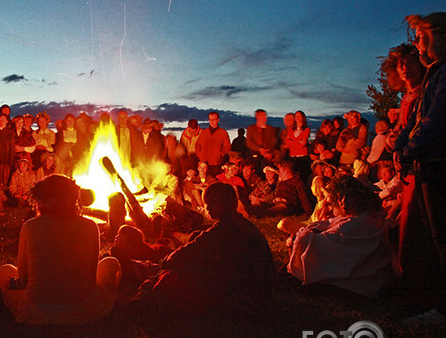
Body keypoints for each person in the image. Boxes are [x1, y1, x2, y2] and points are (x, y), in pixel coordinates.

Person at [131, 182, 275, 314]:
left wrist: (164, 263)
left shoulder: (226, 229)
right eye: (207, 203)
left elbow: (191, 251)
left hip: (244, 296)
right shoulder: (237, 223)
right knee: (193, 239)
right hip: (254, 288)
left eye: (213, 203)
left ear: (226, 203)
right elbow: (199, 244)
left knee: (169, 280)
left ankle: (145, 294)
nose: (208, 207)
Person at [0, 175, 122, 325]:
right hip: (81, 305)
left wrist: (12, 284)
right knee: (111, 263)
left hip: (37, 309)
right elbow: (90, 279)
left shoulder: (30, 227)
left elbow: (23, 281)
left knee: (5, 271)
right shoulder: (90, 227)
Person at [397, 13, 446, 325]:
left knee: (441, 237)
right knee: (434, 237)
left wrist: (408, 149)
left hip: (438, 163)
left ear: (435, 36)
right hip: (429, 162)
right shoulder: (436, 72)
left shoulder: (443, 73)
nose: (416, 43)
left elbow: (435, 119)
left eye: (419, 36)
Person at [287, 175, 393, 297]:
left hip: (356, 286)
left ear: (342, 201)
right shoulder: (373, 219)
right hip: (375, 282)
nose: (331, 208)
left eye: (332, 203)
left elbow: (307, 244)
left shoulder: (348, 228)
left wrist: (296, 239)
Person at [194, 112, 230, 176]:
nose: (212, 121)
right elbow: (197, 145)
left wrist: (219, 155)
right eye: (210, 119)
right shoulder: (204, 132)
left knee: (215, 182)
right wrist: (200, 155)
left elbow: (227, 147)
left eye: (214, 119)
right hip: (204, 163)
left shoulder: (223, 133)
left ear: (218, 120)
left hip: (216, 163)